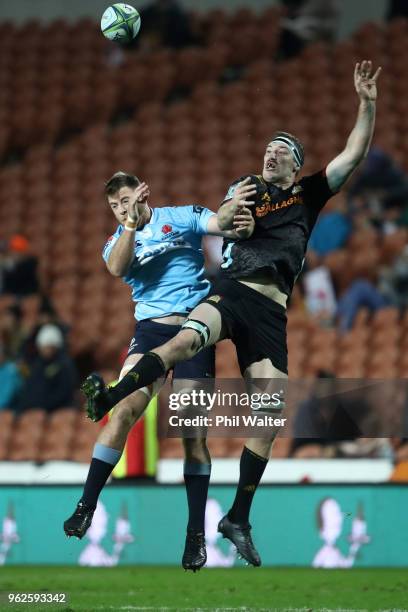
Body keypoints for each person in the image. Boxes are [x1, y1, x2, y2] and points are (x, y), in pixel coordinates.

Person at [82, 62, 381, 567]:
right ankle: (113, 395)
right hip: (234, 291)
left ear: (296, 164)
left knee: (269, 413)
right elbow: (224, 218)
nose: (270, 153)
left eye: (281, 150)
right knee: (182, 342)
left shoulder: (309, 195)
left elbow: (352, 154)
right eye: (267, 149)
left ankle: (237, 517)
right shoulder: (248, 187)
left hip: (272, 312)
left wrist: (367, 103)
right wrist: (231, 221)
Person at [63, 172, 254, 572]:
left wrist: (239, 200)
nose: (122, 208)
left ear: (143, 192)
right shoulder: (117, 241)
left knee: (192, 436)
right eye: (115, 206)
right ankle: (85, 506)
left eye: (127, 199)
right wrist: (130, 224)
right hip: (150, 333)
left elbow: (219, 222)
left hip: (194, 331)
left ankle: (195, 536)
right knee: (124, 412)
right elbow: (117, 269)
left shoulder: (180, 217)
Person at [16, 324, 78, 413]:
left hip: (57, 410)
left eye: (49, 346)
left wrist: (42, 405)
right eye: (43, 346)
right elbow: (29, 388)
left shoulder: (64, 364)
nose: (46, 349)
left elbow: (64, 392)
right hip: (35, 410)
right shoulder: (37, 364)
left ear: (56, 346)